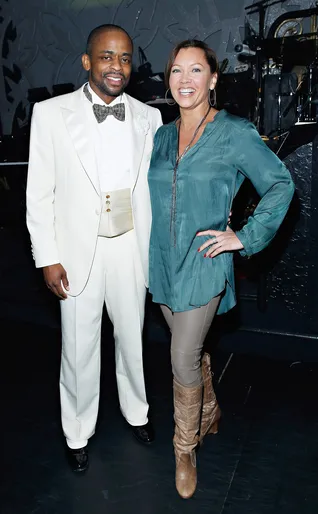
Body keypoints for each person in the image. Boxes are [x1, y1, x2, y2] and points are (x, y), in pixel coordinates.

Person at [148, 39, 295, 499]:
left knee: (179, 358)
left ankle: (184, 450)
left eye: (196, 71)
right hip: (162, 263)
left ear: (213, 79)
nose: (184, 80)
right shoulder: (162, 135)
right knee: (188, 352)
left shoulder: (234, 131)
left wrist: (243, 237)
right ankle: (208, 409)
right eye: (177, 70)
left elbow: (279, 184)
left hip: (205, 261)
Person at [26, 24, 162, 473]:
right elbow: (39, 193)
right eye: (106, 57)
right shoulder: (50, 114)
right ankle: (78, 431)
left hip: (130, 248)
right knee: (79, 347)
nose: (116, 67)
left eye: (124, 59)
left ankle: (136, 412)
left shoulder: (149, 117)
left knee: (132, 339)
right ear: (87, 61)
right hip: (76, 250)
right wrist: (47, 256)